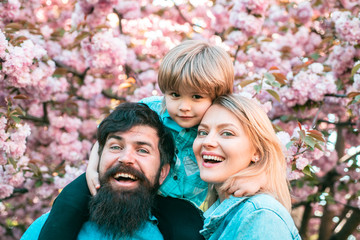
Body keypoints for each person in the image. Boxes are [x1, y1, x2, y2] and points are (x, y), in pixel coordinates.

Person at [38, 40, 265, 239]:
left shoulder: (220, 124)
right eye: (175, 95)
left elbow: (250, 150)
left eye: (196, 97)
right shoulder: (153, 108)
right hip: (127, 181)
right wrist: (92, 166)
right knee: (68, 202)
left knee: (188, 230)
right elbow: (108, 131)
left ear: (217, 96)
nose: (184, 107)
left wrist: (252, 179)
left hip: (178, 200)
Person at [22, 102, 204, 240]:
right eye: (116, 147)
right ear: (98, 159)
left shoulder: (185, 229)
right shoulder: (46, 228)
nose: (125, 158)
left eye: (142, 150)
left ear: (163, 173)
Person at [193, 94, 301, 239]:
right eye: (202, 132)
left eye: (227, 133)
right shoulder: (218, 216)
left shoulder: (260, 215)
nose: (207, 141)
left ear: (257, 151)